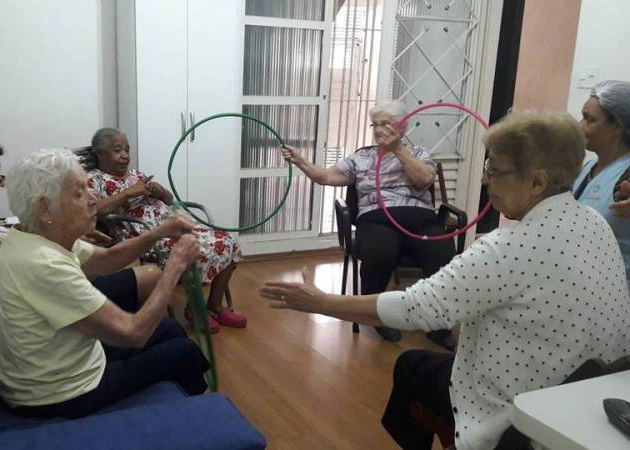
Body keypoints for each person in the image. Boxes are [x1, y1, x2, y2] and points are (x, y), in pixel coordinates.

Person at [262, 111, 630, 450]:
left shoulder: (508, 247)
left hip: (519, 415)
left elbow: (416, 306)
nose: (485, 179)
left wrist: (319, 302)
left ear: (536, 182)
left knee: (411, 367)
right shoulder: (594, 224)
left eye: (495, 170)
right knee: (405, 318)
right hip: (578, 400)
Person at [0, 148, 210, 418]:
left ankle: (182, 405)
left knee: (169, 328)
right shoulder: (44, 264)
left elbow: (107, 259)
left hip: (52, 367)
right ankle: (196, 422)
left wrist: (160, 232)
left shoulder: (31, 237)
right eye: (79, 193)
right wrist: (174, 266)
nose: (94, 199)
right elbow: (133, 332)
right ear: (44, 208)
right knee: (184, 351)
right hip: (58, 393)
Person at [0, 132, 163, 324]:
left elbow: (5, 226)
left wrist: (64, 229)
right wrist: (63, 265)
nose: (0, 184)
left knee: (127, 261)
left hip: (48, 274)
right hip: (49, 294)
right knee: (150, 276)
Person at [281, 100, 456, 349]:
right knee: (380, 253)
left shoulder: (418, 154)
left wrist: (397, 150)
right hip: (376, 217)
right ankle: (380, 318)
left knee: (443, 257)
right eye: (375, 124)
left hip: (419, 219)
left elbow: (424, 180)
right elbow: (326, 176)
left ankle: (440, 325)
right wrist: (300, 161)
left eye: (386, 124)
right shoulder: (361, 157)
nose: (378, 130)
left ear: (402, 126)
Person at [86, 127, 246, 333]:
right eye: (118, 150)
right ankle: (195, 309)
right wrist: (127, 193)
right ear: (100, 154)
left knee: (228, 241)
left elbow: (170, 201)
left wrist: (161, 192)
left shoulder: (137, 174)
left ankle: (215, 305)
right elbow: (94, 210)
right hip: (145, 235)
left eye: (127, 149)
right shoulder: (94, 179)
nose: (125, 155)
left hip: (170, 224)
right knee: (194, 249)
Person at [573, 80, 630, 282]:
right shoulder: (588, 169)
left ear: (618, 126)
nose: (580, 125)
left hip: (619, 292)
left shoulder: (627, 175)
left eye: (589, 119)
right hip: (584, 285)